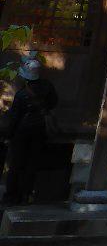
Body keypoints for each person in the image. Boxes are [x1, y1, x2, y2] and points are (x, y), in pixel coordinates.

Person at [1, 53, 58, 206]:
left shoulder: (21, 94)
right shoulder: (47, 87)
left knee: (16, 164)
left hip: (22, 131)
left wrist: (8, 135)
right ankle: (25, 195)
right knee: (31, 164)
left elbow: (15, 118)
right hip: (40, 129)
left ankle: (11, 197)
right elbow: (54, 102)